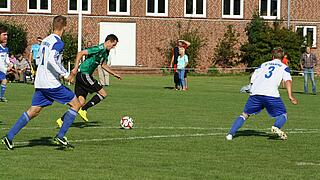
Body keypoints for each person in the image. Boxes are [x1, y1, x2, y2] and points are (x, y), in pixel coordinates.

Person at [1, 15, 81, 150]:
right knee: (76, 104)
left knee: (33, 111)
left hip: (41, 82)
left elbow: (40, 60)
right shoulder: (58, 42)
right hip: (51, 84)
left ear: (53, 25)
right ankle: (61, 136)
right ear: (65, 27)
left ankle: (9, 137)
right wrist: (65, 74)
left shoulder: (45, 41)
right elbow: (51, 60)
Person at [226, 47, 298, 141]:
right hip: (271, 94)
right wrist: (290, 96)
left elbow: (253, 75)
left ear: (272, 56)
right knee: (283, 114)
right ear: (283, 57)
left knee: (245, 114)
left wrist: (251, 86)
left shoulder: (264, 64)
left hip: (256, 93)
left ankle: (230, 134)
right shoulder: (284, 67)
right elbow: (288, 81)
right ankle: (276, 126)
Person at [56, 34, 121, 127]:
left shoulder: (106, 52)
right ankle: (84, 109)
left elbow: (103, 65)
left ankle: (61, 120)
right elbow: (80, 53)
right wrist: (75, 68)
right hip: (84, 74)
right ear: (109, 41)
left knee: (80, 103)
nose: (114, 47)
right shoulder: (98, 48)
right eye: (113, 44)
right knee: (103, 94)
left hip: (82, 76)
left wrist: (114, 74)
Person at [0, 24, 10, 102]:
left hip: (2, 69)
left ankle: (1, 96)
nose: (6, 37)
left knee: (4, 81)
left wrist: (9, 64)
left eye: (7, 35)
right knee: (4, 80)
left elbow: (5, 59)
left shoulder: (6, 49)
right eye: (4, 35)